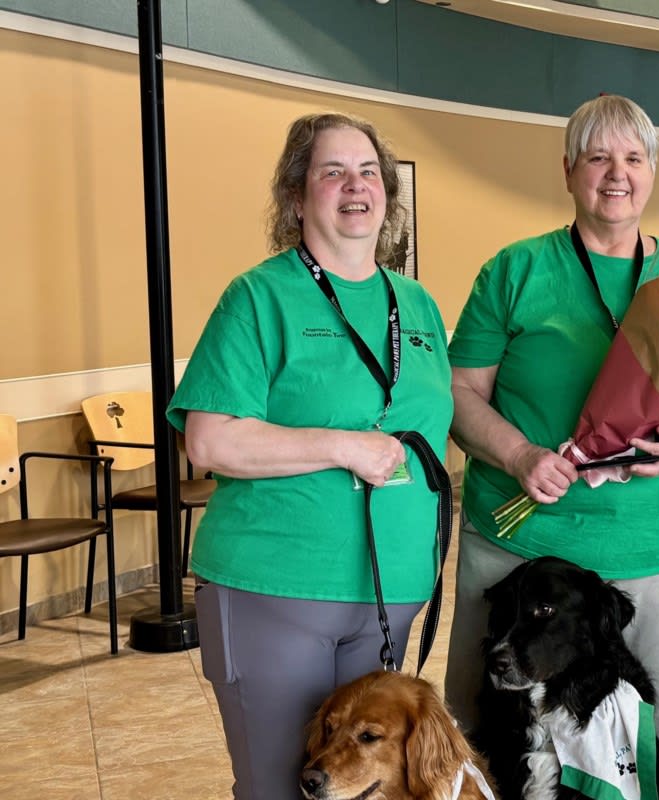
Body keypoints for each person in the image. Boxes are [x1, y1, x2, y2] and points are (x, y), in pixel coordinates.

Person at [444, 94, 659, 800]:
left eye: (633, 159)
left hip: (653, 554)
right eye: (598, 158)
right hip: (518, 551)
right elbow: (460, 395)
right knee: (484, 723)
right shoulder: (515, 271)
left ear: (652, 172)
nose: (617, 174)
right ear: (568, 171)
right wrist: (520, 456)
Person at [166, 112, 452, 799]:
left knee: (365, 787)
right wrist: (341, 445)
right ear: (297, 197)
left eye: (368, 172)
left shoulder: (415, 304)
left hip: (391, 594)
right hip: (276, 589)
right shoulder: (259, 297)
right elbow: (208, 439)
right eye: (333, 172)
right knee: (281, 787)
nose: (356, 186)